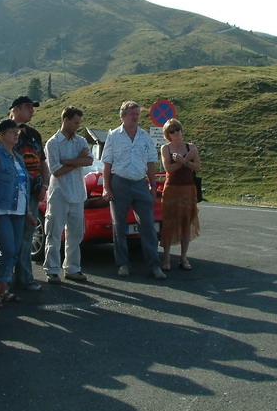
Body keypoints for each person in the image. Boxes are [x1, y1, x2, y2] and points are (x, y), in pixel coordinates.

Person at [101, 101, 165, 279]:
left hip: (140, 183)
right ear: (123, 116)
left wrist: (153, 185)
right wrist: (106, 187)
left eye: (137, 114)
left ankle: (154, 266)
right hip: (119, 183)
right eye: (132, 114)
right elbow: (107, 163)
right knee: (119, 225)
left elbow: (150, 162)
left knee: (148, 225)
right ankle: (123, 264)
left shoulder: (145, 136)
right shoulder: (113, 136)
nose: (135, 117)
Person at [0, 119, 35, 308]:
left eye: (16, 131)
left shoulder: (18, 157)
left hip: (18, 211)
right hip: (1, 210)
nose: (16, 134)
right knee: (7, 250)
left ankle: (4, 289)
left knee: (15, 250)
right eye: (12, 131)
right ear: (2, 135)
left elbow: (24, 187)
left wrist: (28, 211)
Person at [43, 106, 94, 284]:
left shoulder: (80, 141)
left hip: (78, 193)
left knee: (76, 234)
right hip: (59, 193)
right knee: (54, 232)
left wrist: (69, 161)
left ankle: (72, 268)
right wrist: (78, 161)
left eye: (79, 123)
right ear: (65, 120)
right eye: (75, 123)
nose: (77, 126)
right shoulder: (53, 143)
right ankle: (52, 269)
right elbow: (56, 170)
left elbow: (89, 160)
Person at [10, 95, 48, 292]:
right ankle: (5, 280)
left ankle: (25, 278)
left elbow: (42, 161)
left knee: (27, 234)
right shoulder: (4, 131)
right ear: (16, 109)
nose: (32, 110)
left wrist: (44, 185)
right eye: (28, 107)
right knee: (9, 236)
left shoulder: (34, 134)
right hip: (12, 193)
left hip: (33, 192)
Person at [159, 118, 201, 271]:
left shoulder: (191, 147)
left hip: (188, 188)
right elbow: (168, 169)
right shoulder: (166, 148)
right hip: (172, 188)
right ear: (167, 134)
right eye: (172, 131)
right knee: (169, 223)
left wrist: (185, 160)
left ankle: (183, 258)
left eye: (178, 129)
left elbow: (198, 167)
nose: (176, 133)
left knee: (186, 223)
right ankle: (166, 258)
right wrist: (185, 160)